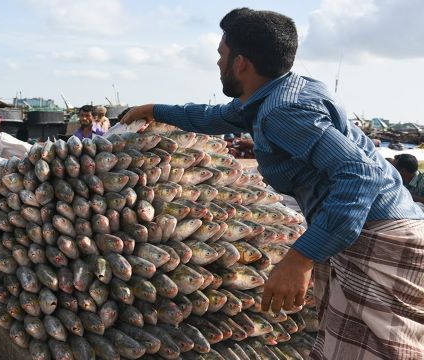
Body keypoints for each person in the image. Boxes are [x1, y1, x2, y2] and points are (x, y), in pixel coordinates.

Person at [122, 8, 424, 359]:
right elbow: (215, 116)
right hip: (365, 231)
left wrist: (301, 257)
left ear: (241, 63)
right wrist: (156, 109)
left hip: (377, 237)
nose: (218, 63)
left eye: (221, 55)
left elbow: (361, 174)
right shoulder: (279, 93)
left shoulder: (284, 111)